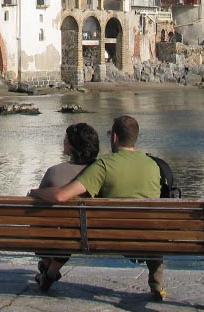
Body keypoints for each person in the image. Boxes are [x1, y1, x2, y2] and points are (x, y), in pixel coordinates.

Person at [28, 115, 167, 301]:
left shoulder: (104, 165)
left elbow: (61, 196)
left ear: (114, 138)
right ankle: (156, 283)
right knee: (149, 223)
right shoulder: (154, 165)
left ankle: (48, 268)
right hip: (150, 238)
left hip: (112, 236)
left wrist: (35, 192)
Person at [32, 123, 100, 292]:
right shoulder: (101, 171)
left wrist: (33, 191)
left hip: (53, 234)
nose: (63, 141)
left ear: (72, 146)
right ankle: (49, 271)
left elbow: (34, 204)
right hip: (90, 235)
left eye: (66, 139)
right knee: (68, 232)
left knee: (48, 226)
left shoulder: (54, 172)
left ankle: (48, 268)